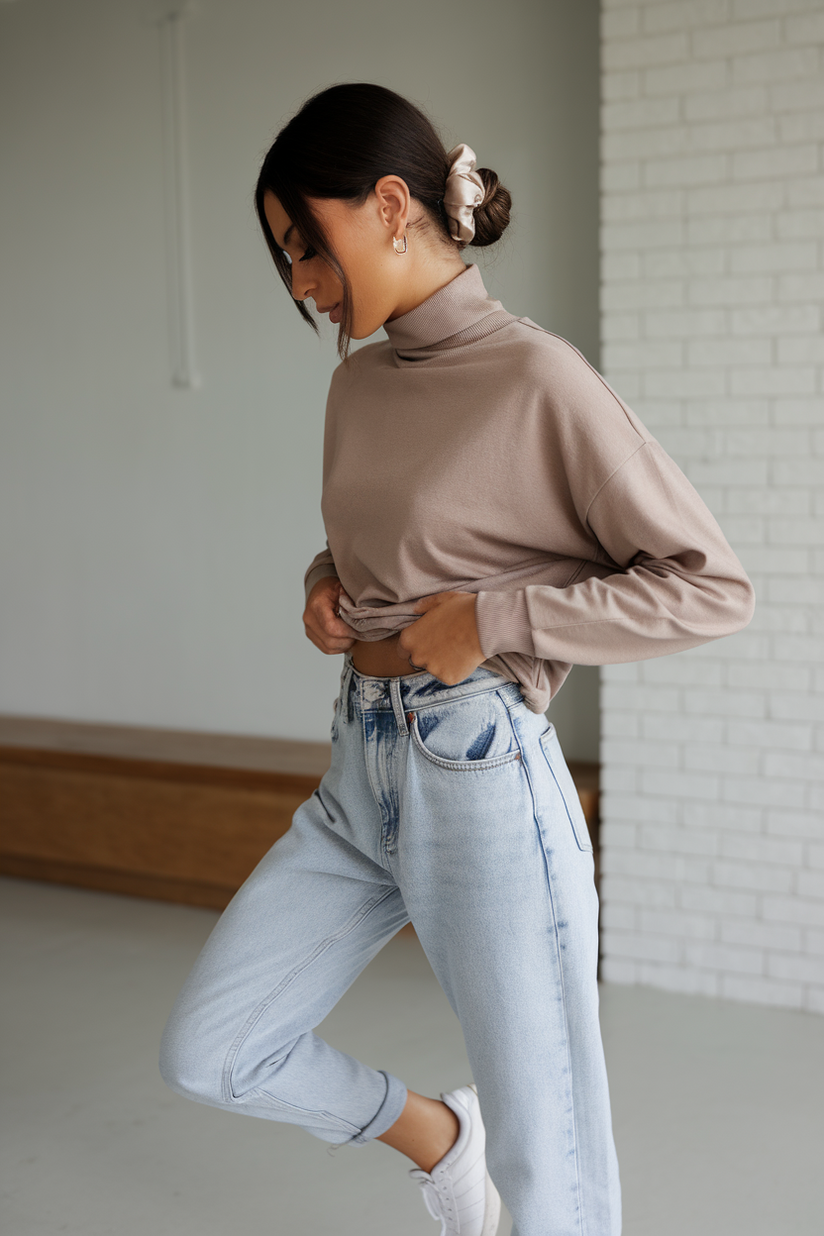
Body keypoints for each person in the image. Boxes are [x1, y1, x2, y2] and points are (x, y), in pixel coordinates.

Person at [159, 82, 755, 1236]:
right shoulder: (355, 385)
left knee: (554, 1170)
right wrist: (321, 587)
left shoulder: (539, 380)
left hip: (480, 775)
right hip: (358, 774)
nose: (299, 283)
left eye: (306, 245)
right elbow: (367, 542)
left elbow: (708, 585)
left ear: (389, 204)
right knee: (213, 1049)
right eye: (285, 259)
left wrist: (497, 620)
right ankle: (438, 1138)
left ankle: (490, 1155)